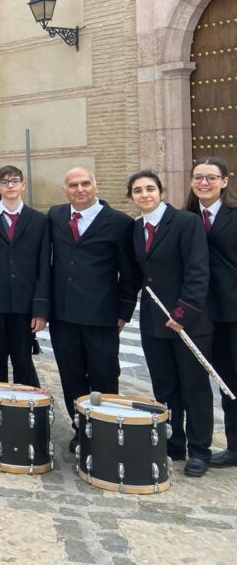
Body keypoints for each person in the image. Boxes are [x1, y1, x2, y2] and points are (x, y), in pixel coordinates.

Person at [129, 170, 212, 477]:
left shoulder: (186, 223)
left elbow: (198, 270)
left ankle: (200, 449)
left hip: (187, 321)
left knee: (194, 387)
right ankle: (174, 441)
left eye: (150, 188)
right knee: (165, 385)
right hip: (154, 321)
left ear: (160, 192)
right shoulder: (136, 228)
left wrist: (182, 314)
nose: (144, 194)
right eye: (138, 190)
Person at [48, 167, 137, 453]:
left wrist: (124, 312)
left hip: (102, 316)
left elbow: (129, 272)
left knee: (104, 374)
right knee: (71, 375)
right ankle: (81, 429)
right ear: (65, 190)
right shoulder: (56, 216)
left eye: (85, 183)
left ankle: (105, 429)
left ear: (95, 186)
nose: (80, 189)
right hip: (63, 315)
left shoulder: (120, 223)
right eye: (73, 185)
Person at [0, 166, 49, 387]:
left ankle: (29, 416)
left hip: (25, 308)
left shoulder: (39, 221)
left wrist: (40, 309)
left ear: (23, 184)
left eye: (15, 180)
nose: (10, 185)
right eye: (4, 182)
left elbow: (44, 266)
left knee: (23, 363)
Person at [185, 158, 237, 469]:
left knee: (234, 379)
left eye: (211, 177)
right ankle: (204, 445)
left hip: (232, 310)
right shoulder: (183, 217)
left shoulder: (234, 215)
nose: (204, 183)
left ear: (225, 181)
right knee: (213, 379)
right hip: (199, 312)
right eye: (198, 177)